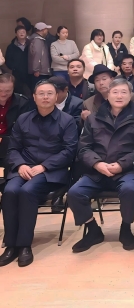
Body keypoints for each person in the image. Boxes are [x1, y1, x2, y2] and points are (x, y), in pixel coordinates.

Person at [67, 78, 134, 253]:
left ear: (130, 95)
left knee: (129, 190)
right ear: (108, 95)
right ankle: (93, 230)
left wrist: (121, 165)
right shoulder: (93, 118)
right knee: (74, 193)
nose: (119, 96)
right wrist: (97, 163)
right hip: (97, 170)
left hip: (126, 170)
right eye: (115, 92)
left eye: (124, 92)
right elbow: (83, 148)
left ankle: (126, 228)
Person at [0, 81, 78, 267]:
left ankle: (24, 245)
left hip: (51, 171)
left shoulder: (67, 120)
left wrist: (44, 166)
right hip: (24, 168)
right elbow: (13, 148)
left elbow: (69, 151)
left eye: (50, 93)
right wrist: (20, 165)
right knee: (10, 191)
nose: (45, 97)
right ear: (34, 97)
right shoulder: (23, 119)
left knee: (27, 191)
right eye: (41, 93)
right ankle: (10, 245)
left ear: (56, 96)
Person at [0, 73, 31, 162]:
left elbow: (23, 129)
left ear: (13, 89)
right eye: (0, 90)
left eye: (7, 91)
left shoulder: (22, 102)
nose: (3, 94)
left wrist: (4, 140)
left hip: (11, 141)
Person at [5, 26, 30, 95]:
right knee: (18, 91)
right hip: (17, 73)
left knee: (30, 91)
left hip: (30, 72)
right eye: (19, 32)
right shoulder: (11, 47)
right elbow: (8, 60)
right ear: (16, 34)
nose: (22, 33)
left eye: (23, 32)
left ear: (26, 33)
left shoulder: (31, 44)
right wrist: (14, 67)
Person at [27, 22, 52, 88]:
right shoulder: (38, 40)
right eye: (46, 29)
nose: (47, 31)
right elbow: (37, 55)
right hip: (40, 72)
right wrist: (36, 69)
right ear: (42, 30)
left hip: (39, 71)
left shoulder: (35, 39)